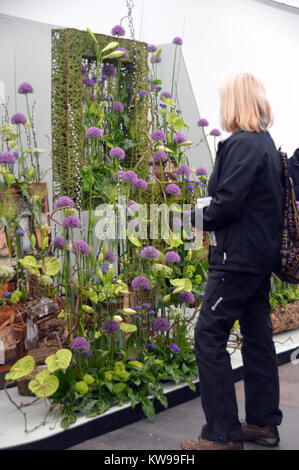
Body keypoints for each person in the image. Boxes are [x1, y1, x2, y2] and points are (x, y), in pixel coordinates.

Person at [182, 73, 283, 451]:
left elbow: (227, 204)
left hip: (236, 261)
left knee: (208, 337)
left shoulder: (241, 145)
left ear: (235, 103)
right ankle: (262, 423)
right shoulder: (266, 144)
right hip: (258, 260)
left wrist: (194, 217)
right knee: (258, 339)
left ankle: (222, 435)